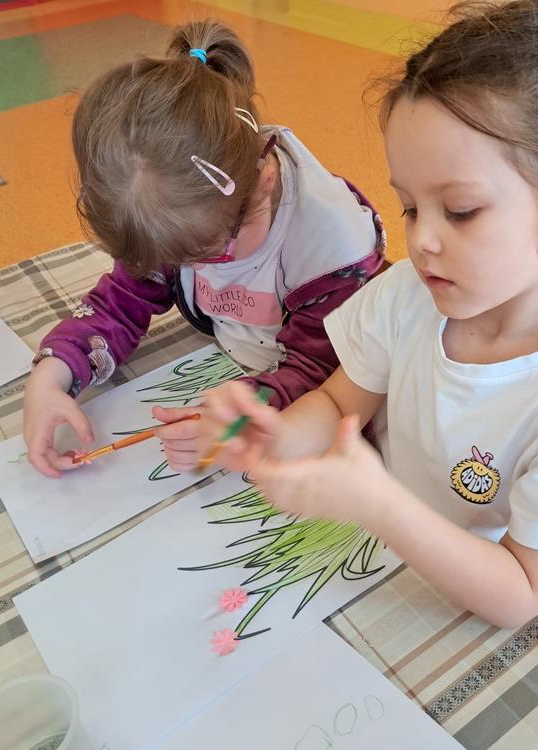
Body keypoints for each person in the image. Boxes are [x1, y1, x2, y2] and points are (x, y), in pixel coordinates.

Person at [197, 0, 538, 628]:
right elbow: (337, 404)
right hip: (388, 565)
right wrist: (273, 435)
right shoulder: (410, 295)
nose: (423, 241)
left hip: (481, 614)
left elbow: (522, 595)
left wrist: (378, 504)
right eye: (410, 208)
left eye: (460, 211)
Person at [22, 20, 385, 479]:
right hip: (243, 353)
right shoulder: (188, 207)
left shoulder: (333, 250)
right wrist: (52, 375)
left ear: (264, 183)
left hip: (315, 385)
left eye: (206, 254)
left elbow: (324, 373)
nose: (184, 270)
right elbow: (122, 300)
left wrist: (236, 422)